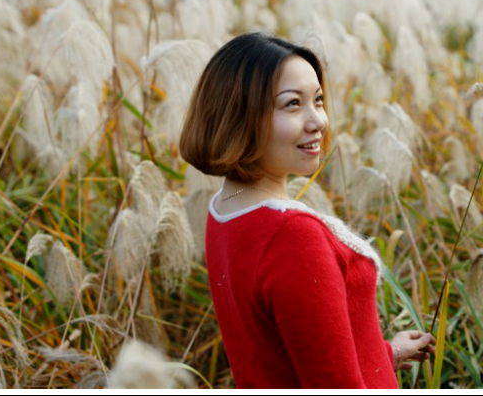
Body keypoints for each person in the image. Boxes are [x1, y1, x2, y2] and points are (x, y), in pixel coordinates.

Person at [179, 32, 435, 389]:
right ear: (241, 116)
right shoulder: (292, 236)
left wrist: (384, 353)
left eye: (318, 100)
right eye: (292, 105)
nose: (318, 121)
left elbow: (278, 350)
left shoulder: (226, 209)